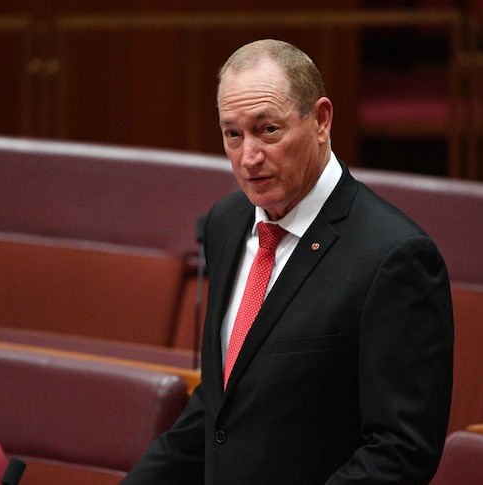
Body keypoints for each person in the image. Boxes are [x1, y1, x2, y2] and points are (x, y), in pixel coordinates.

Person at [120, 39, 453, 485]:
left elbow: (401, 451)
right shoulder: (227, 222)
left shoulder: (394, 256)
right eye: (233, 134)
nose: (249, 157)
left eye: (268, 130)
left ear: (320, 120)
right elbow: (220, 408)